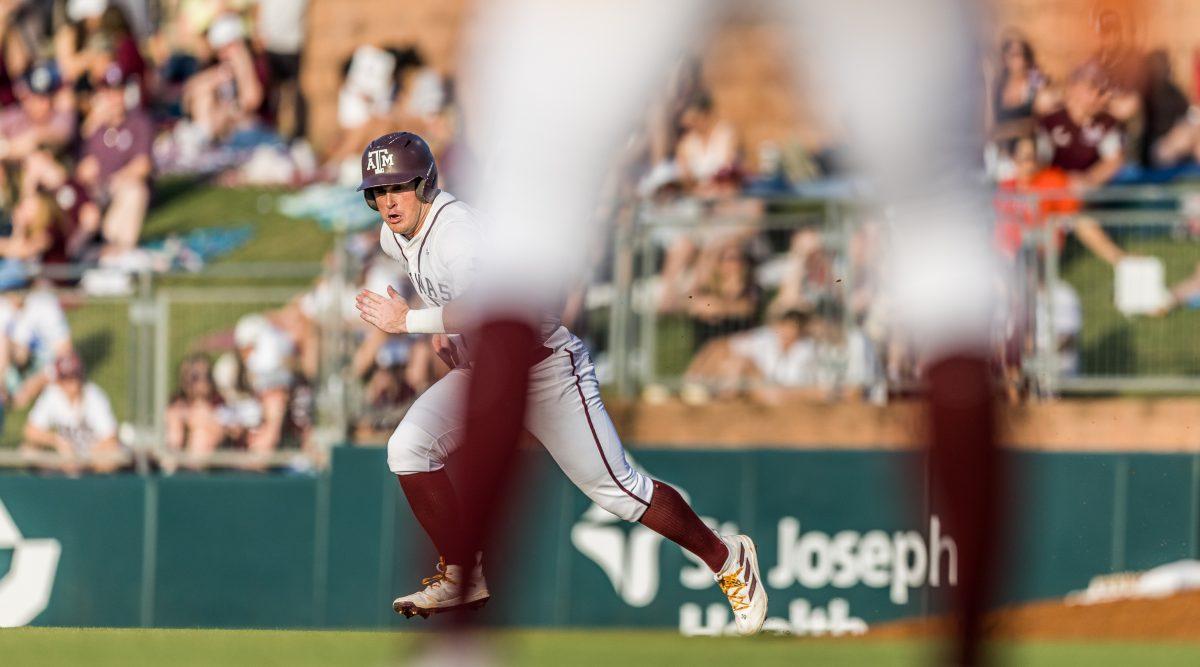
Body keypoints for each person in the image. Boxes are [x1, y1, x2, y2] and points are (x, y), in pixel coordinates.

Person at [352, 132, 767, 634]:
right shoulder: (392, 233)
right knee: (408, 448)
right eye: (377, 191)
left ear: (425, 183)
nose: (387, 201)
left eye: (398, 186)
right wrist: (446, 332)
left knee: (620, 491)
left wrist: (416, 323)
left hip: (543, 370)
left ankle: (727, 560)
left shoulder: (456, 230)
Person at [20, 352, 122, 475]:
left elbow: (111, 438)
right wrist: (56, 440)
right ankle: (52, 480)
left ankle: (95, 484)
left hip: (90, 458)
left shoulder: (94, 395)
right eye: (66, 378)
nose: (71, 383)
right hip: (64, 458)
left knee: (112, 455)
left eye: (74, 377)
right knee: (27, 451)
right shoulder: (52, 394)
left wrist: (83, 459)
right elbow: (30, 430)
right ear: (59, 380)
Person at [161, 353, 226, 473]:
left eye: (207, 376)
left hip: (206, 466)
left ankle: (191, 475)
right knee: (174, 424)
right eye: (195, 377)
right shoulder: (176, 404)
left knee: (201, 431)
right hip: (176, 462)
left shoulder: (219, 403)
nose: (202, 381)